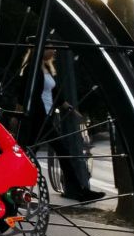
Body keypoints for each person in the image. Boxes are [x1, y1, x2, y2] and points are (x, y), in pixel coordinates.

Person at [28, 49, 106, 204]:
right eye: (50, 46)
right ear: (42, 49)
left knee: (28, 154)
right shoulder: (33, 68)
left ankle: (80, 191)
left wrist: (71, 109)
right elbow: (24, 93)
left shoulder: (46, 68)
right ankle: (81, 192)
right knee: (60, 152)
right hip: (37, 118)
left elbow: (56, 94)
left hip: (45, 118)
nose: (55, 50)